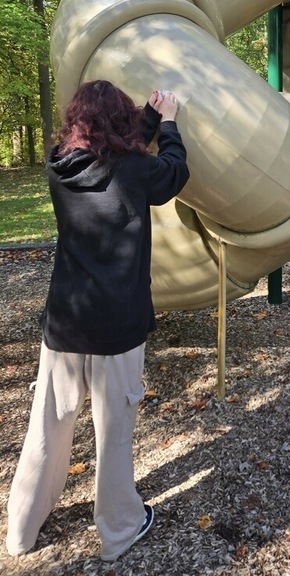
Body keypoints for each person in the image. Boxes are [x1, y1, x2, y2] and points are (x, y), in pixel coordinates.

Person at [5, 80, 189, 562]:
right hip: (116, 326)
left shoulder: (57, 165)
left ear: (76, 122)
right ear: (119, 122)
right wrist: (168, 123)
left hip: (65, 323)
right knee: (113, 432)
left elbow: (112, 163)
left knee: (47, 427)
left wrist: (148, 116)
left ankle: (20, 529)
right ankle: (119, 529)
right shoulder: (134, 170)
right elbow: (171, 173)